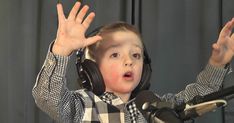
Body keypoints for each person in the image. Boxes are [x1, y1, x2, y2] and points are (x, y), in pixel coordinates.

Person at [32, 1, 234, 123]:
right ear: (91, 69)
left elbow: (202, 96)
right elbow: (46, 97)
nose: (129, 61)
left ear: (144, 68)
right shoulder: (81, 106)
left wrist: (217, 63)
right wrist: (61, 50)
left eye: (136, 55)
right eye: (115, 55)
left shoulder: (155, 106)